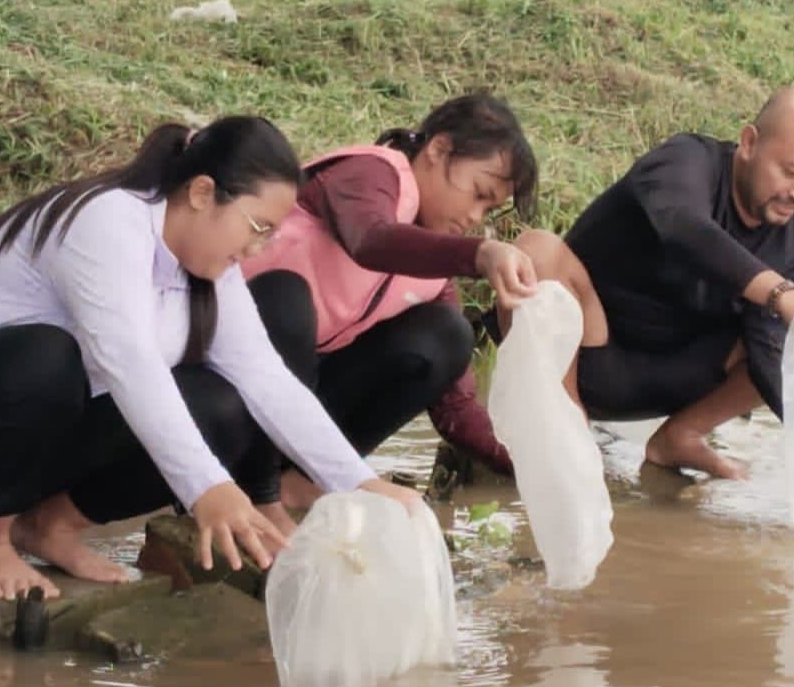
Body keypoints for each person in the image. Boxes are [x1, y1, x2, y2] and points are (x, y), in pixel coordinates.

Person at [0, 117, 415, 601]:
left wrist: (360, 484)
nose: (258, 249)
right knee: (47, 357)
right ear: (202, 193)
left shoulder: (210, 272)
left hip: (19, 437)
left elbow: (269, 380)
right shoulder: (107, 221)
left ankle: (48, 526)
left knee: (221, 408)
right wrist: (207, 488)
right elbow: (129, 363)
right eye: (257, 227)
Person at [241, 92, 608, 500]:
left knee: (447, 335)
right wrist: (479, 253)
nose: (475, 217)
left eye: (489, 211)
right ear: (438, 149)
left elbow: (456, 410)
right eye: (478, 193)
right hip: (231, 380)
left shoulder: (432, 273)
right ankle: (259, 490)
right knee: (287, 302)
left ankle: (302, 482)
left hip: (298, 403)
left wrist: (544, 464)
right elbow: (370, 239)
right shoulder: (369, 173)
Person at [564, 85, 794, 480]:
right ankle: (565, 432)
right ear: (749, 142)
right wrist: (782, 294)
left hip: (676, 381)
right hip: (588, 354)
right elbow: (683, 226)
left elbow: (773, 358)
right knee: (540, 250)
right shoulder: (685, 160)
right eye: (792, 173)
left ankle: (680, 437)